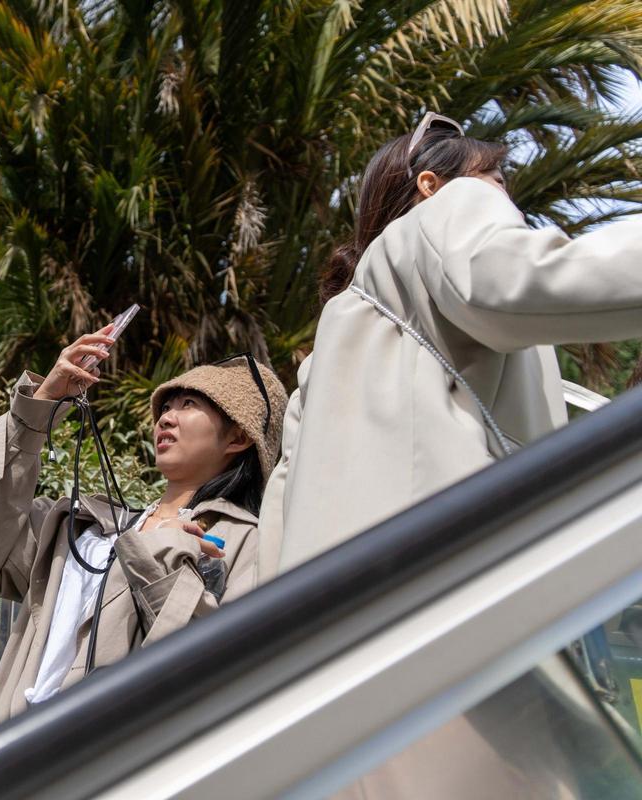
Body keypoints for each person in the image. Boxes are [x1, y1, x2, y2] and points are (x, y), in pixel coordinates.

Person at [261, 112, 642, 799]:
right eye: (496, 177)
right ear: (432, 186)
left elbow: (279, 522)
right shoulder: (444, 217)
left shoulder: (341, 336)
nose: (506, 198)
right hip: (452, 625)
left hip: (332, 665)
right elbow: (525, 280)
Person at [0, 332, 287, 731]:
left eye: (189, 404)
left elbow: (220, 673)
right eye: (166, 406)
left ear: (239, 436)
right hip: (14, 759)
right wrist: (38, 408)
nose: (166, 416)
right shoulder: (86, 529)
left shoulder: (248, 543)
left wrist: (165, 557)